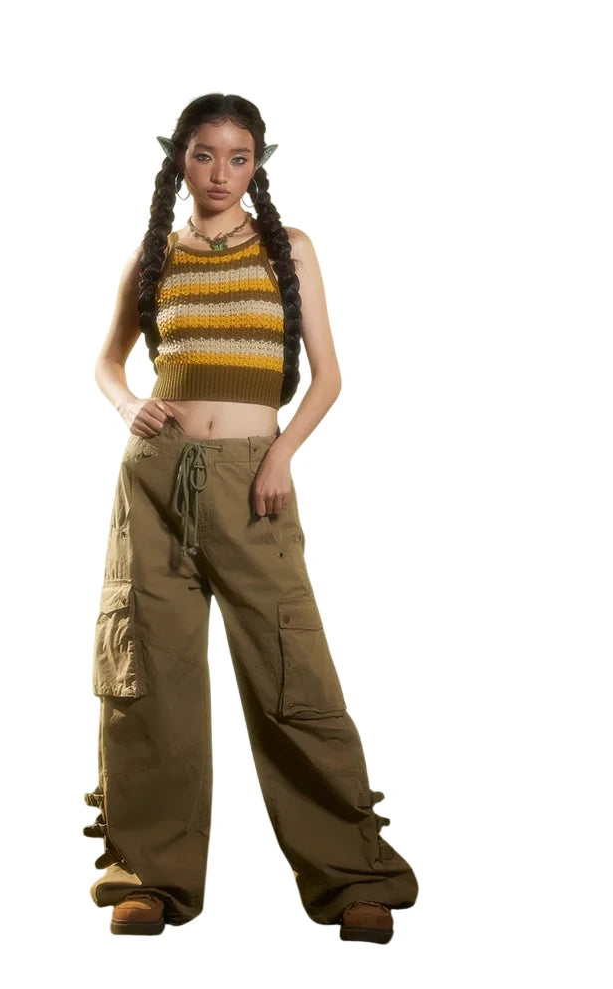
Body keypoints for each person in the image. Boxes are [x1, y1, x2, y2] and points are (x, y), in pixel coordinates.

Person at [83, 93, 418, 943]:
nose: (220, 173)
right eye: (205, 155)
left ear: (257, 164)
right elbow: (108, 361)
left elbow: (329, 376)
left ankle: (353, 875)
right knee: (147, 675)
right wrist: (127, 405)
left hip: (253, 480)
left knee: (289, 670)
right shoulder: (156, 254)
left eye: (238, 158)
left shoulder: (287, 247)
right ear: (180, 160)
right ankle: (146, 877)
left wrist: (281, 454)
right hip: (154, 481)